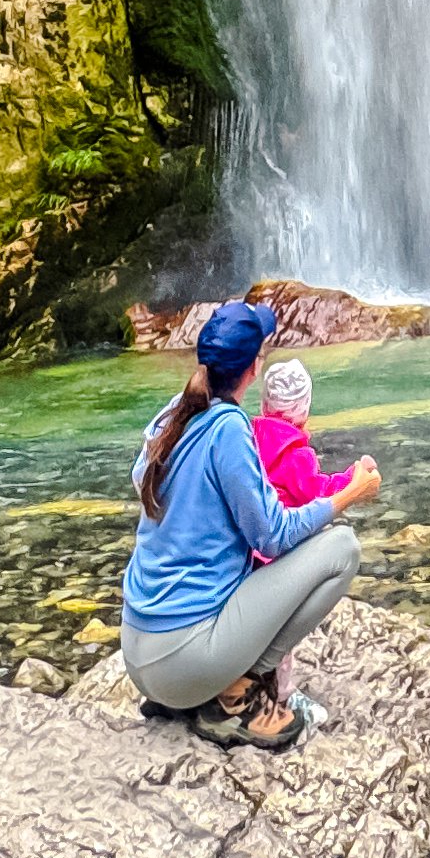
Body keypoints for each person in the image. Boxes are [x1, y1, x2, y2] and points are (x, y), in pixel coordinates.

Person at [118, 299, 379, 749]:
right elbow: (272, 537)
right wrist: (347, 495)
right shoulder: (228, 429)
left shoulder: (174, 414)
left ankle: (207, 689)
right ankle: (234, 696)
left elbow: (143, 478)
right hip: (182, 664)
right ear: (254, 368)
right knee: (344, 548)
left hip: (139, 657)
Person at [252, 359, 335, 510]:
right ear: (304, 409)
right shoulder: (298, 456)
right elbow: (319, 494)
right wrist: (352, 479)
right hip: (285, 526)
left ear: (264, 404)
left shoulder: (248, 439)